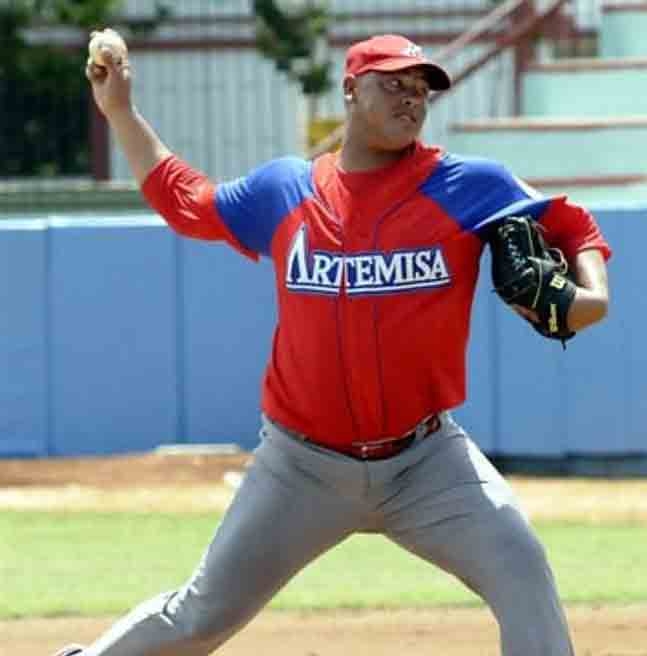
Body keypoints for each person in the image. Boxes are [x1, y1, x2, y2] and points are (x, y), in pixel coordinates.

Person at [57, 32, 611, 656]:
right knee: (201, 616)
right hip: (301, 468)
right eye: (393, 84)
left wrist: (593, 298)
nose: (411, 99)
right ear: (351, 90)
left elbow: (573, 225)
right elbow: (187, 201)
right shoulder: (286, 191)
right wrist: (121, 113)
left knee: (522, 570)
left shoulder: (467, 186)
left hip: (426, 463)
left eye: (421, 89)